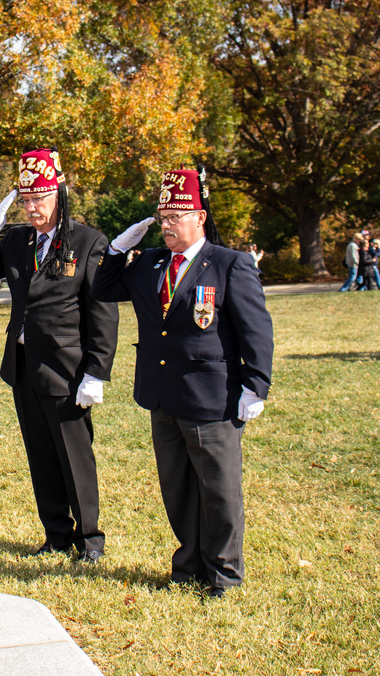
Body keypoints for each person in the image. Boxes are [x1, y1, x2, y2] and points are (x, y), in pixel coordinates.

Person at [92, 166, 274, 598]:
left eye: (177, 216)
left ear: (200, 218)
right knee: (177, 489)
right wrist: (118, 248)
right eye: (163, 216)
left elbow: (256, 330)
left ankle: (224, 574)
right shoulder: (151, 262)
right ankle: (188, 565)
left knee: (219, 491)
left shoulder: (230, 264)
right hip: (162, 394)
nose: (168, 225)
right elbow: (103, 288)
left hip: (212, 397)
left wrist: (256, 385)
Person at [0, 149, 118, 563]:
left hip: (67, 369)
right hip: (24, 365)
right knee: (41, 454)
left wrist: (97, 372)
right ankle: (56, 534)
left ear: (59, 195)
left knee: (74, 456)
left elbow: (103, 314)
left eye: (40, 199)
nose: (32, 209)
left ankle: (90, 540)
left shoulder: (87, 241)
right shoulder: (15, 240)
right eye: (25, 201)